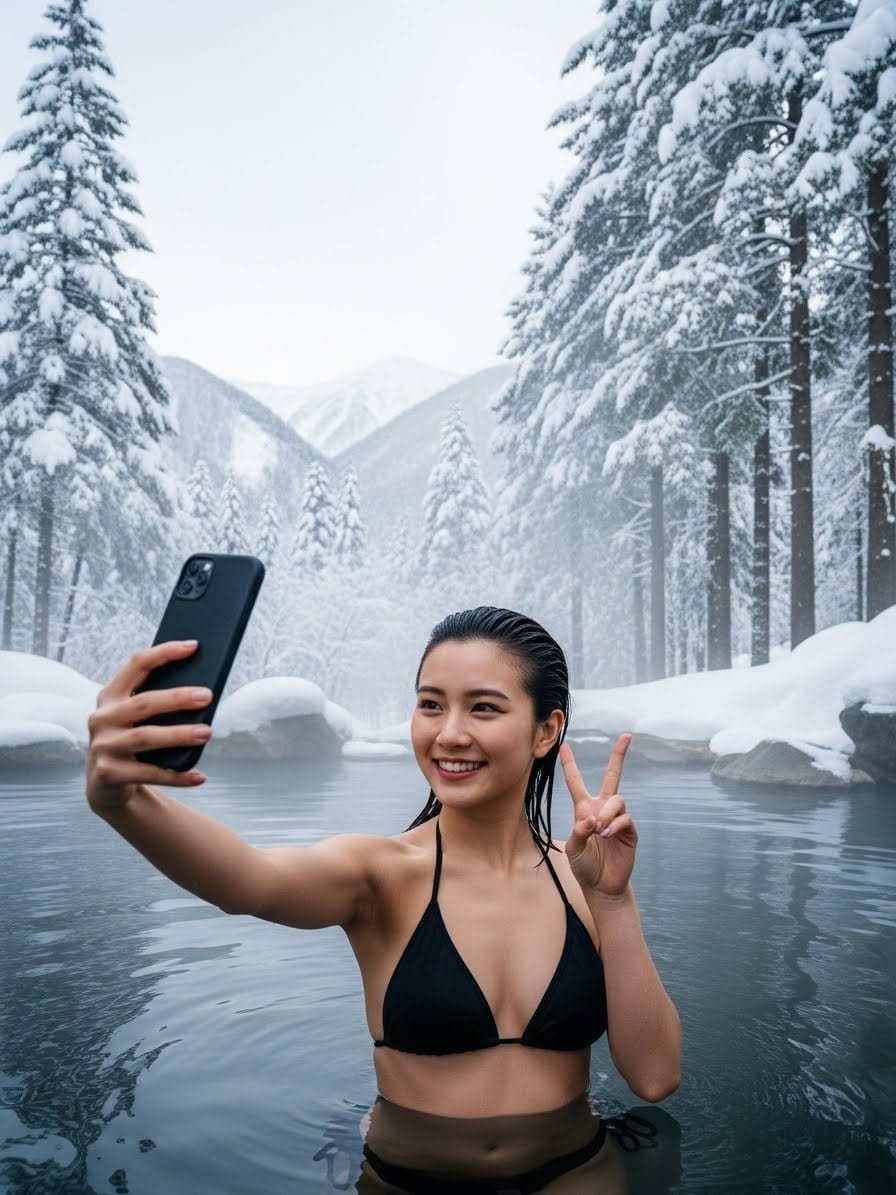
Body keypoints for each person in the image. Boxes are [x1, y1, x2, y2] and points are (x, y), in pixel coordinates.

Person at [86, 606, 681, 1192]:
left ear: (546, 731)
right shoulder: (381, 875)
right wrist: (125, 802)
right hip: (410, 1180)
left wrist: (613, 900)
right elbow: (249, 881)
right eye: (431, 704)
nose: (449, 733)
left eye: (484, 707)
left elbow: (655, 1078)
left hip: (576, 1173)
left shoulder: (584, 878)